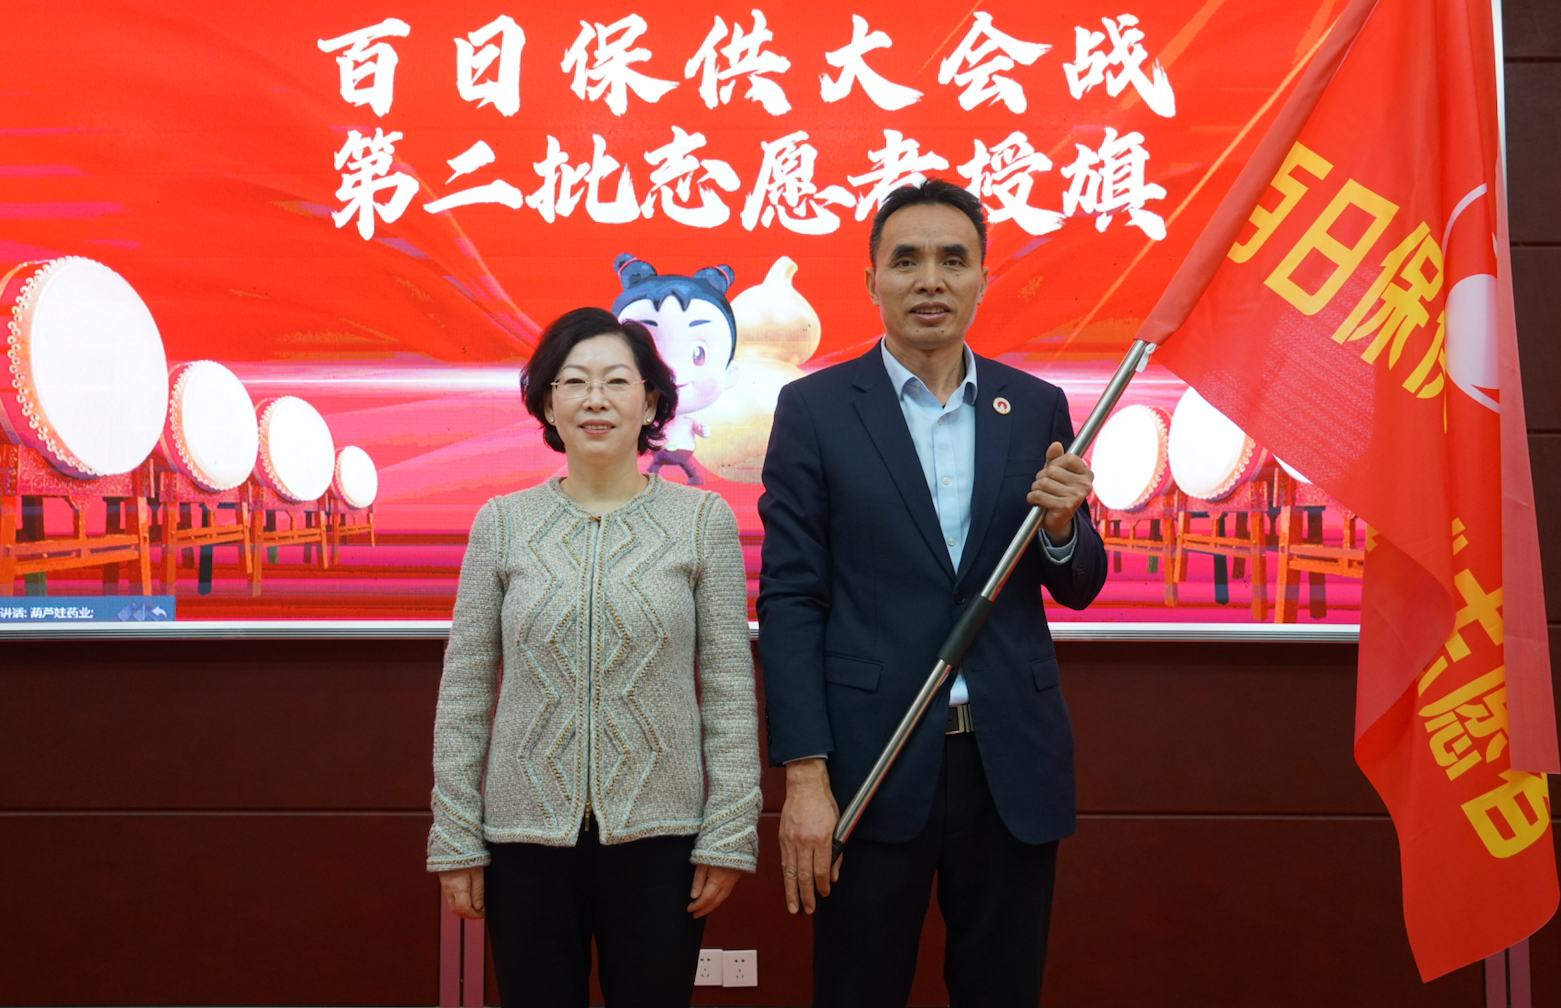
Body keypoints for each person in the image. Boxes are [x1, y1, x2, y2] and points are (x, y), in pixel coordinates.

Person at [757, 180, 1107, 1007]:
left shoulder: (1035, 407)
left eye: (954, 260)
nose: (930, 280)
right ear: (872, 280)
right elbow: (792, 598)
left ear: (983, 278)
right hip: (871, 763)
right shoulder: (815, 410)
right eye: (906, 260)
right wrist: (804, 776)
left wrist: (1063, 527)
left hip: (1008, 762)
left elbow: (1079, 583)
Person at [429, 306, 762, 1008]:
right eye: (574, 382)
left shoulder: (702, 522)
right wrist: (456, 835)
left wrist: (729, 830)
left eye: (616, 381)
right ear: (549, 403)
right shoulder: (503, 523)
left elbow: (730, 689)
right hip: (523, 840)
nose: (596, 400)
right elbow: (464, 691)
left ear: (651, 401)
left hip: (663, 842)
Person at [612, 254, 738, 487]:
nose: (674, 374)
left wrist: (700, 428)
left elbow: (698, 427)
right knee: (654, 465)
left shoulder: (687, 420)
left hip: (682, 449)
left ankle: (690, 477)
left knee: (685, 466)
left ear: (730, 372)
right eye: (650, 354)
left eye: (699, 355)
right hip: (657, 451)